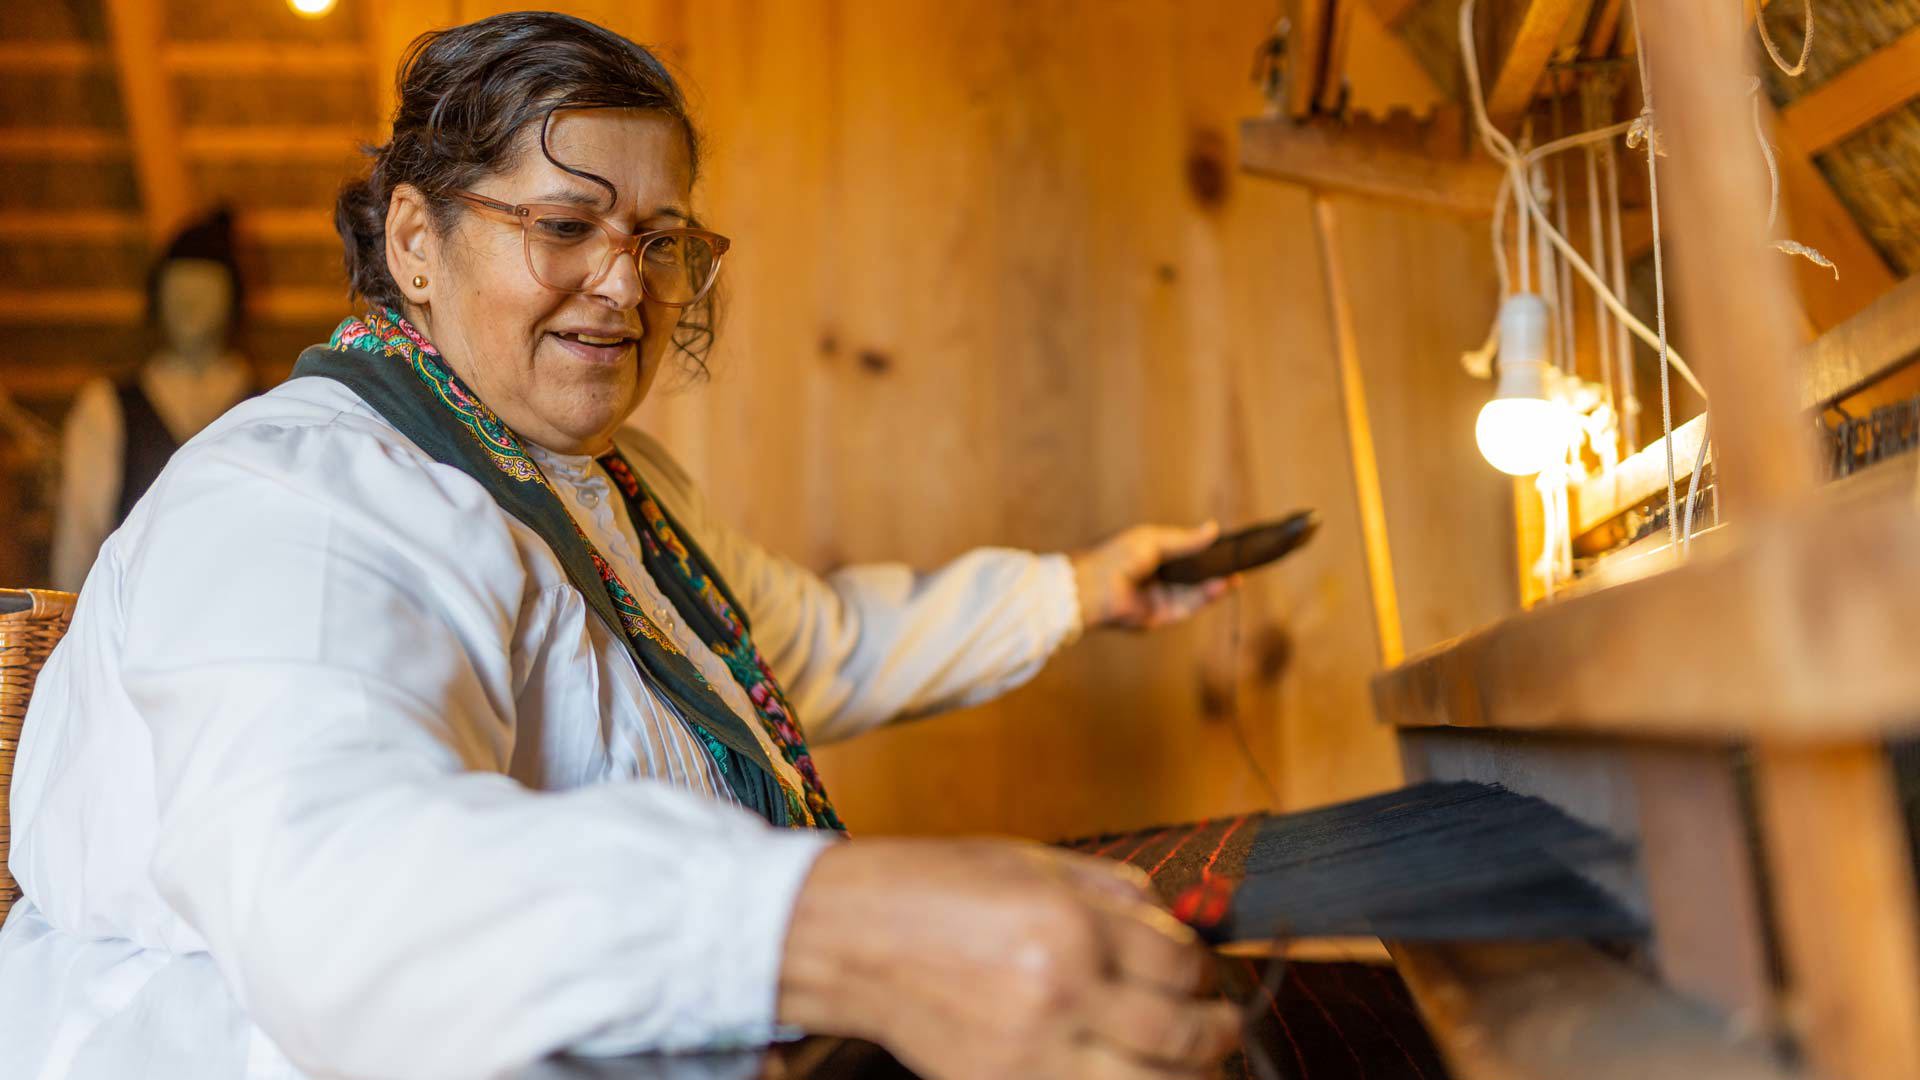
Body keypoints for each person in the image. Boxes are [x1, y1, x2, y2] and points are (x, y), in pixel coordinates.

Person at [0, 14, 1243, 1080]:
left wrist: (1080, 589)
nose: (625, 285)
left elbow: (804, 650)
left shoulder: (614, 484)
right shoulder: (301, 500)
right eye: (565, 226)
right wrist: (836, 928)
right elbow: (343, 895)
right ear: (415, 244)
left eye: (657, 239)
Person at [50, 208, 256, 591]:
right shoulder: (106, 408)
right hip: (129, 632)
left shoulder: (271, 408)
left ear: (232, 297)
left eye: (205, 288)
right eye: (178, 289)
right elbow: (78, 541)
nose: (190, 304)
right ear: (157, 295)